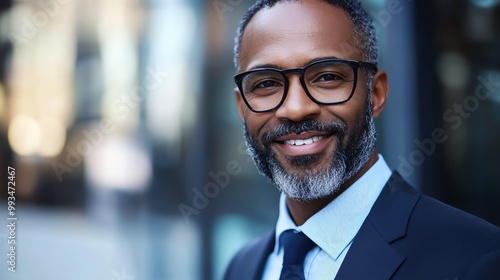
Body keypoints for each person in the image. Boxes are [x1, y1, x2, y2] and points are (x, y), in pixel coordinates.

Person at [223, 0, 500, 279]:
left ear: (375, 94)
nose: (295, 109)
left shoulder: (477, 260)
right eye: (267, 83)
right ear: (241, 107)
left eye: (327, 77)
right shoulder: (243, 268)